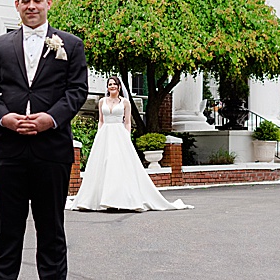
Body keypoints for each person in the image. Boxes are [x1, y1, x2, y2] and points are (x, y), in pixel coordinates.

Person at [0, 0, 88, 280]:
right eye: (26, 1)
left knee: (51, 228)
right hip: (8, 151)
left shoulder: (71, 44)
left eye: (38, 0)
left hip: (52, 150)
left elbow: (77, 91)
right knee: (7, 228)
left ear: (49, 3)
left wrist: (49, 119)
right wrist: (5, 117)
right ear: (17, 5)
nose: (32, 6)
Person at [67, 76, 193, 212]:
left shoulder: (125, 102)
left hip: (119, 134)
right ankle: (96, 200)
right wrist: (99, 134)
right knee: (103, 164)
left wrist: (126, 137)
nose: (112, 86)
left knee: (118, 165)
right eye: (110, 84)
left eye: (114, 84)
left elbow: (127, 121)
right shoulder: (102, 101)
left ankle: (119, 199)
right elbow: (101, 121)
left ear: (119, 87)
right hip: (105, 135)